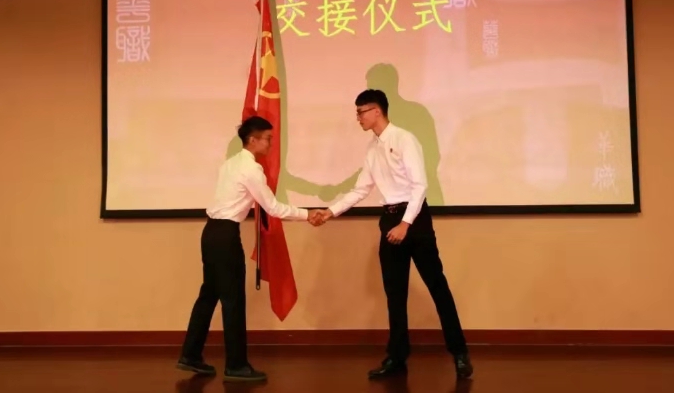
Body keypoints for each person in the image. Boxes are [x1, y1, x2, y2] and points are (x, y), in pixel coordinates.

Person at [313, 89, 473, 380]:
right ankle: (397, 357)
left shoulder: (404, 139)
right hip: (389, 218)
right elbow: (361, 189)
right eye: (357, 112)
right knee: (394, 294)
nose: (358, 118)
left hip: (415, 219)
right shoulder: (372, 149)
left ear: (377, 111)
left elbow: (420, 185)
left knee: (437, 286)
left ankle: (460, 353)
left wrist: (406, 224)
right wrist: (330, 211)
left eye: (361, 112)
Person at [177, 115, 322, 382]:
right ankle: (236, 365)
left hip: (211, 234)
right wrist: (307, 214)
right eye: (267, 139)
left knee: (209, 295)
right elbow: (273, 208)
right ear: (252, 140)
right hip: (226, 236)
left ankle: (190, 354)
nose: (270, 144)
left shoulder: (230, 163)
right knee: (233, 300)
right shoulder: (251, 169)